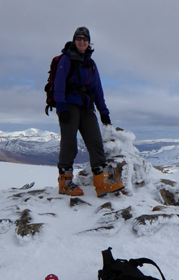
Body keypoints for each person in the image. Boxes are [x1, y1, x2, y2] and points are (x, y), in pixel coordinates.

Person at [53, 27, 125, 197]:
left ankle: (101, 182)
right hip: (69, 105)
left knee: (95, 142)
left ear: (89, 41)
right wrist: (61, 107)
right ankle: (65, 182)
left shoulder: (91, 64)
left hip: (87, 107)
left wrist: (103, 112)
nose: (82, 41)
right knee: (69, 143)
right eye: (79, 38)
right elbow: (59, 85)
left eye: (85, 38)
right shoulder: (66, 59)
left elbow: (97, 89)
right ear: (74, 40)